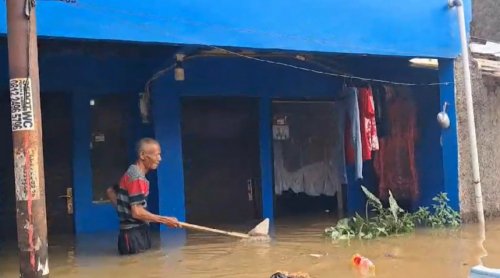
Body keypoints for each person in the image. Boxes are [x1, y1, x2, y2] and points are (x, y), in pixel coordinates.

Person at [107, 138, 180, 255]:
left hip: (135, 232)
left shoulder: (133, 173)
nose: (160, 159)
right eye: (157, 155)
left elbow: (110, 191)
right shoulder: (136, 177)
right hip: (133, 235)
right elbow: (137, 212)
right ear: (142, 155)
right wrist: (165, 220)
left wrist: (124, 210)